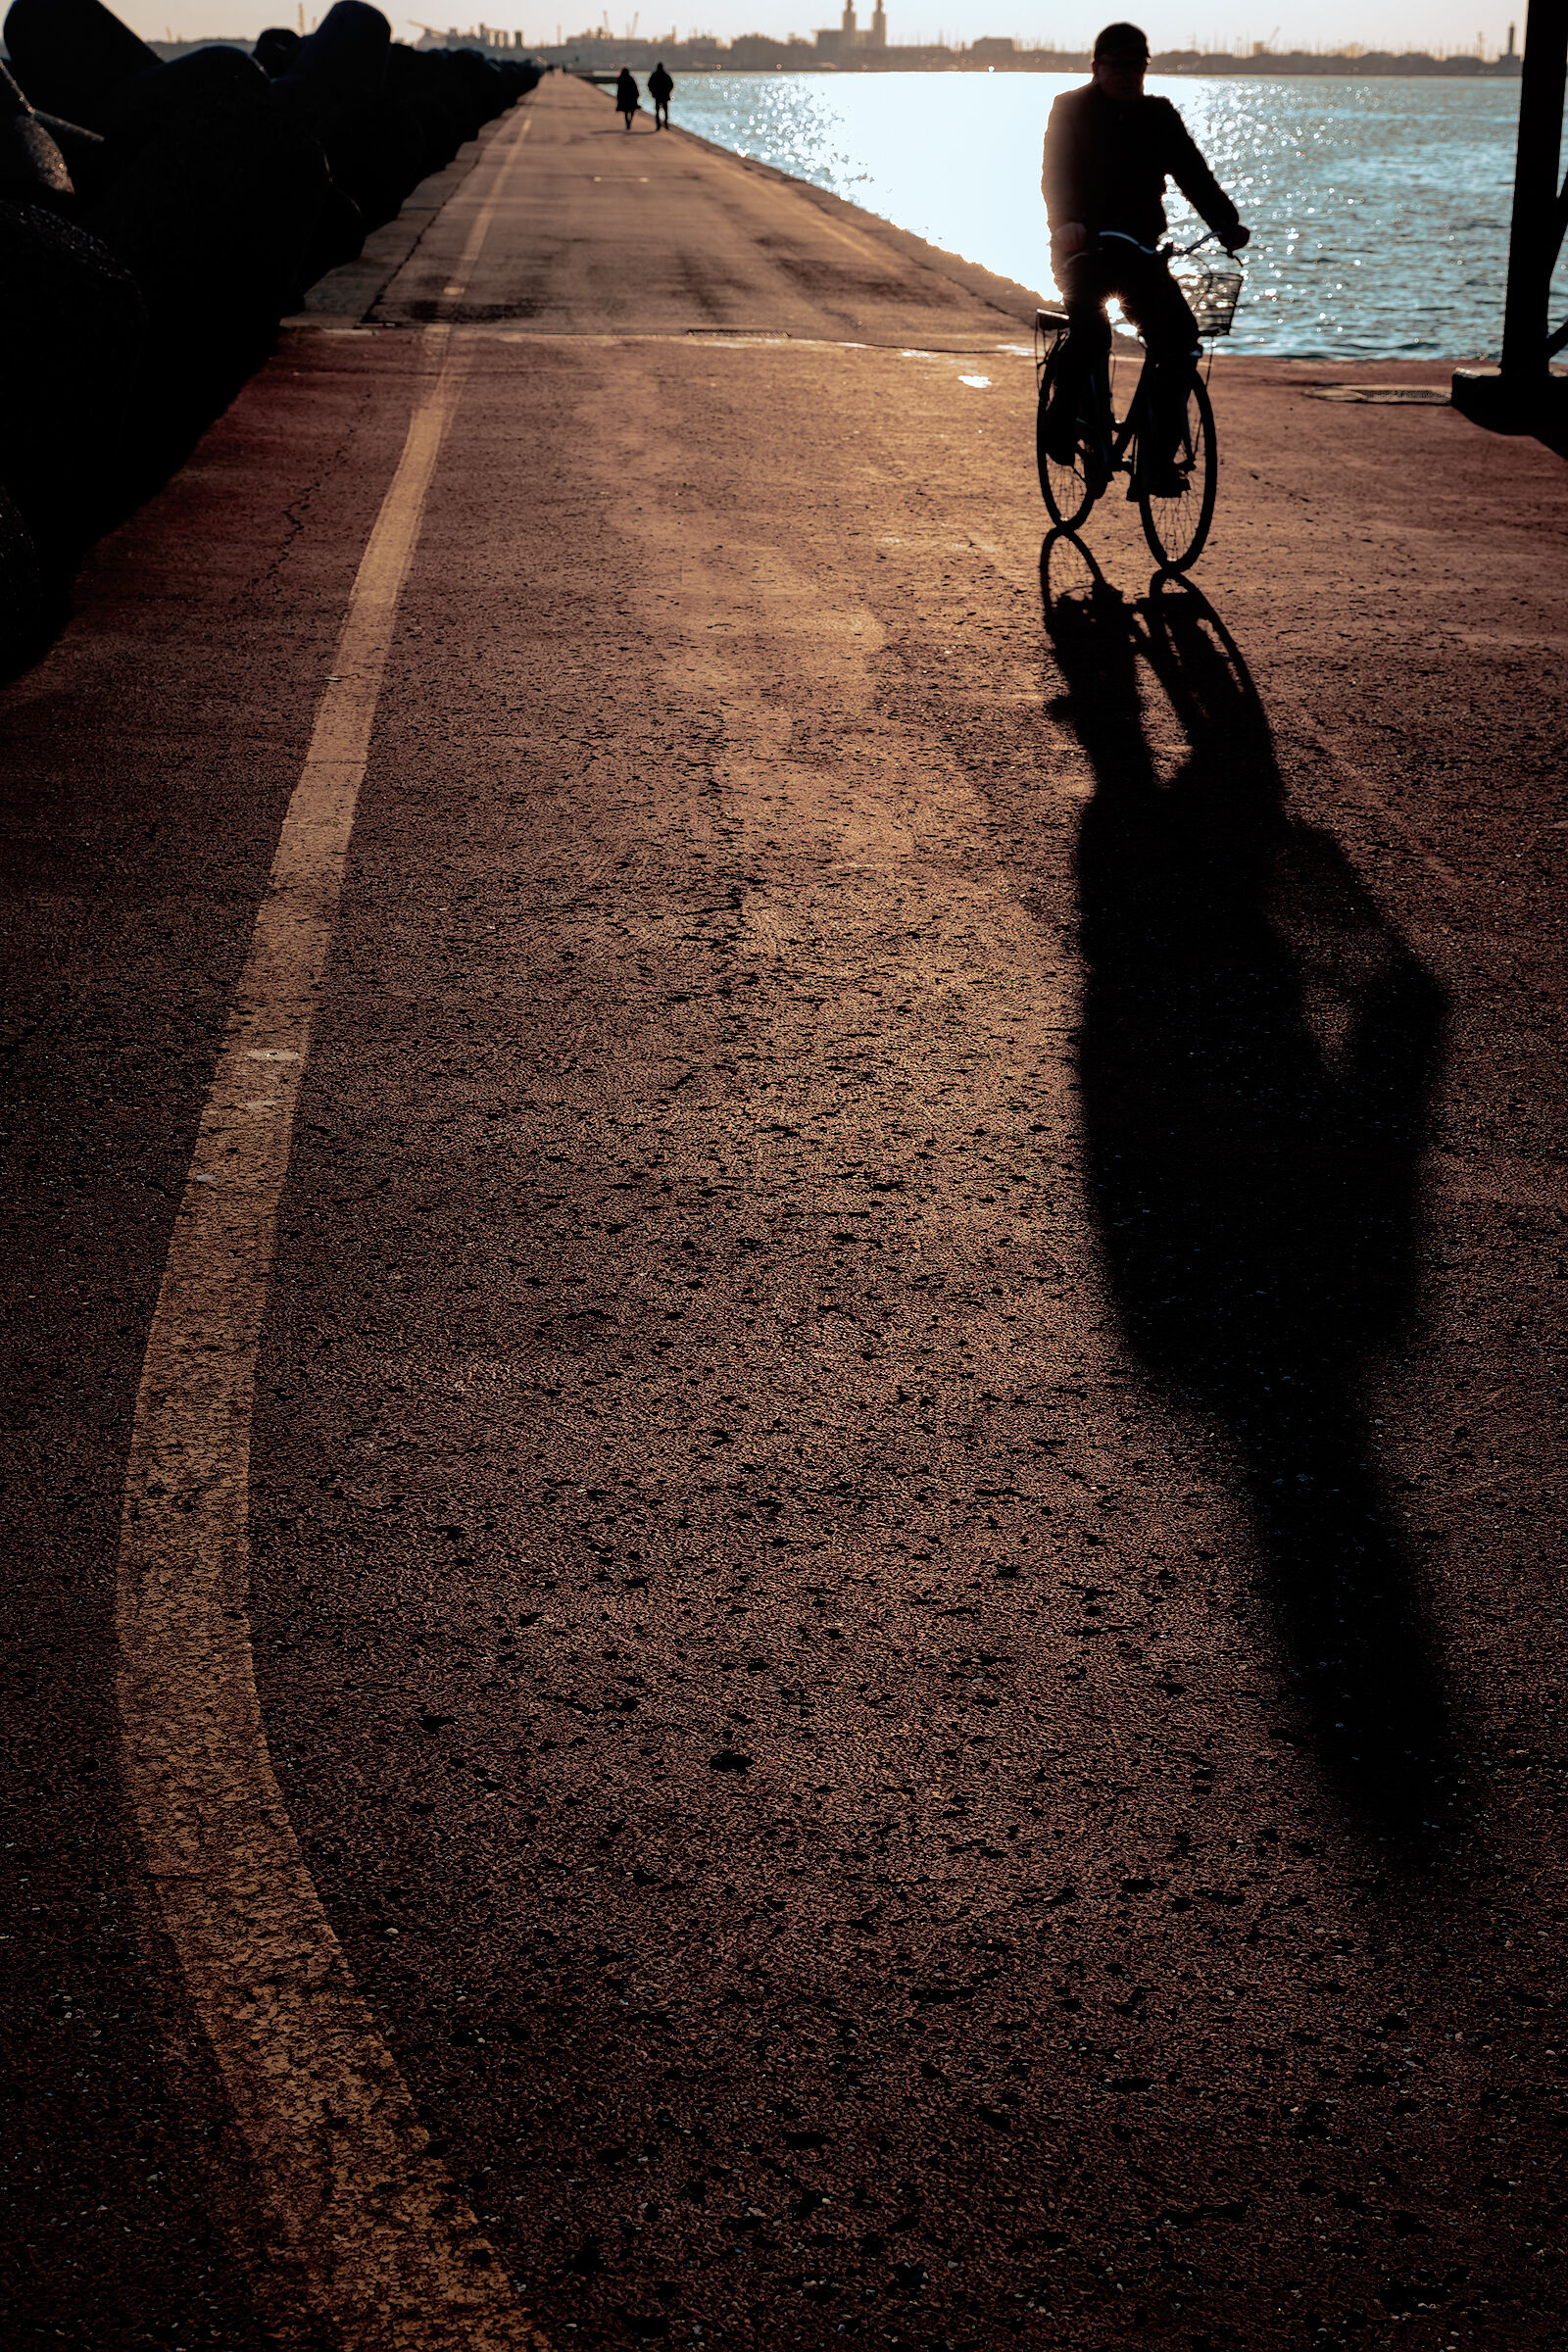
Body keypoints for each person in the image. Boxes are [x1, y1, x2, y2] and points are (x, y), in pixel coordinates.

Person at [1041, 22, 1250, 490]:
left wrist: (1226, 222)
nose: (1129, 75)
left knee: (1181, 344)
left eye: (1138, 66)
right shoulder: (1070, 108)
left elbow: (1193, 175)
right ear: (1097, 67)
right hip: (1083, 251)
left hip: (1139, 254)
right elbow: (1055, 174)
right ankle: (1061, 412)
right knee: (1093, 333)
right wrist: (1065, 222)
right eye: (1118, 66)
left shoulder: (1159, 115)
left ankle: (1155, 460)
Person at [648, 59, 673, 129]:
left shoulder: (654, 75)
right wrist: (668, 92)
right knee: (665, 110)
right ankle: (665, 123)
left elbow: (649, 85)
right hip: (664, 96)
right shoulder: (666, 75)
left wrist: (653, 92)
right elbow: (671, 85)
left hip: (657, 96)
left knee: (657, 110)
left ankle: (658, 124)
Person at [615, 65, 639, 129]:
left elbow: (619, 90)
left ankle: (627, 123)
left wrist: (618, 98)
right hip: (631, 98)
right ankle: (630, 122)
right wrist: (637, 95)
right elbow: (635, 88)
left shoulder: (620, 79)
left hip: (624, 98)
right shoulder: (631, 78)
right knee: (632, 111)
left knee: (626, 111)